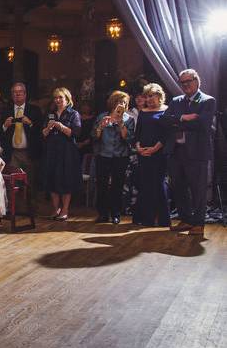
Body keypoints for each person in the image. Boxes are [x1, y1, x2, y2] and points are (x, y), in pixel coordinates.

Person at [161, 69, 217, 236]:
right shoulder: (176, 100)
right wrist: (183, 118)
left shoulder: (207, 101)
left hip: (197, 152)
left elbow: (203, 124)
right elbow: (164, 120)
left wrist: (175, 121)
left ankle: (199, 223)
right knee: (179, 188)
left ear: (197, 81)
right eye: (182, 83)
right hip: (176, 151)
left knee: (198, 189)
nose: (186, 85)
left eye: (189, 81)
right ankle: (186, 220)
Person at [92, 90, 134, 224]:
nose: (121, 104)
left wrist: (121, 124)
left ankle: (116, 214)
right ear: (113, 103)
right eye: (119, 102)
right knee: (102, 185)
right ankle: (102, 214)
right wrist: (100, 127)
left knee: (118, 185)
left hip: (120, 156)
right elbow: (94, 136)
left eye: (124, 102)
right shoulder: (102, 116)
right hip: (103, 155)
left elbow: (129, 139)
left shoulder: (129, 119)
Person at [133, 83, 170, 227]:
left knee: (159, 185)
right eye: (146, 96)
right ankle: (146, 219)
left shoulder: (166, 110)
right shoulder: (143, 112)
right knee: (145, 186)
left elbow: (167, 135)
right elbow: (138, 134)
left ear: (159, 96)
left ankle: (162, 220)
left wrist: (154, 149)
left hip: (159, 154)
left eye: (151, 96)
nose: (148, 99)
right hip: (144, 154)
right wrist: (139, 148)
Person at [42, 87, 82, 221]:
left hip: (67, 152)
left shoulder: (73, 114)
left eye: (60, 98)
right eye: (56, 98)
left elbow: (75, 133)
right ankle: (55, 209)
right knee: (52, 179)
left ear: (67, 99)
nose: (58, 100)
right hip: (52, 150)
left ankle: (65, 209)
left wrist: (61, 126)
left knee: (66, 180)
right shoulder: (50, 113)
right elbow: (43, 134)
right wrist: (48, 127)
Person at [0, 82, 44, 186]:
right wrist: (5, 126)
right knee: (14, 184)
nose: (17, 94)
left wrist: (30, 123)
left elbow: (41, 131)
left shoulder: (35, 110)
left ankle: (29, 201)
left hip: (29, 152)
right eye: (15, 92)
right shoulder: (6, 110)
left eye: (20, 92)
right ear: (12, 95)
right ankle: (15, 202)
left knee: (30, 183)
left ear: (25, 94)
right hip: (12, 153)